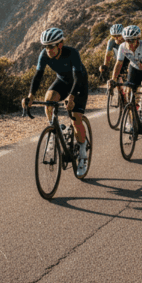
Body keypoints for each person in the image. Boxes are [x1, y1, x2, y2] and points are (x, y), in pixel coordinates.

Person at [23, 27, 89, 174]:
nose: (48, 49)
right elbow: (38, 76)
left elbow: (78, 77)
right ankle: (54, 129)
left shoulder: (72, 53)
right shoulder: (44, 55)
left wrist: (71, 97)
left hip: (79, 83)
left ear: (60, 45)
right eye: (45, 46)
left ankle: (83, 155)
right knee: (48, 100)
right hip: (63, 81)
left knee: (76, 118)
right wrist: (30, 97)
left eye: (51, 46)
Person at [108, 25, 142, 124]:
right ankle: (132, 120)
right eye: (127, 40)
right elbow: (118, 64)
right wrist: (113, 79)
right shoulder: (122, 47)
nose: (129, 43)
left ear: (138, 40)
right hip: (135, 68)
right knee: (129, 92)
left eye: (132, 40)